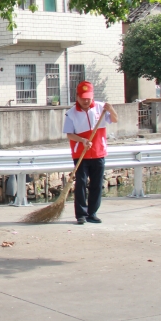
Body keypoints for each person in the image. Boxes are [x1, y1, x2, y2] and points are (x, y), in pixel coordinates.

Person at [63, 81, 118, 224]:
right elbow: (69, 134)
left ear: (92, 96)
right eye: (83, 98)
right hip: (81, 154)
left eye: (88, 97)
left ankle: (92, 213)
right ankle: (81, 214)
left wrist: (111, 110)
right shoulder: (71, 114)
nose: (86, 101)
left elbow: (115, 119)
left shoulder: (101, 108)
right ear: (77, 97)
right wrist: (82, 140)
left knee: (97, 184)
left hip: (98, 152)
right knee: (81, 183)